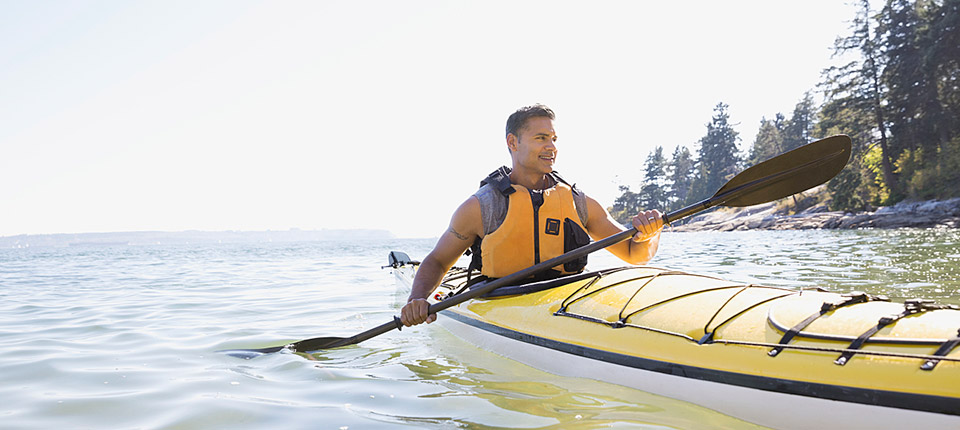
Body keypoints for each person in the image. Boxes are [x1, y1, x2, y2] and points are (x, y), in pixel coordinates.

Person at [400, 104, 664, 326]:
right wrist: (417, 299)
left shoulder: (577, 202)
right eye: (541, 138)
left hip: (565, 298)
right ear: (512, 142)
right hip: (501, 298)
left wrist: (649, 235)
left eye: (554, 139)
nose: (551, 147)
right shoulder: (482, 206)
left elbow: (634, 253)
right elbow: (437, 261)